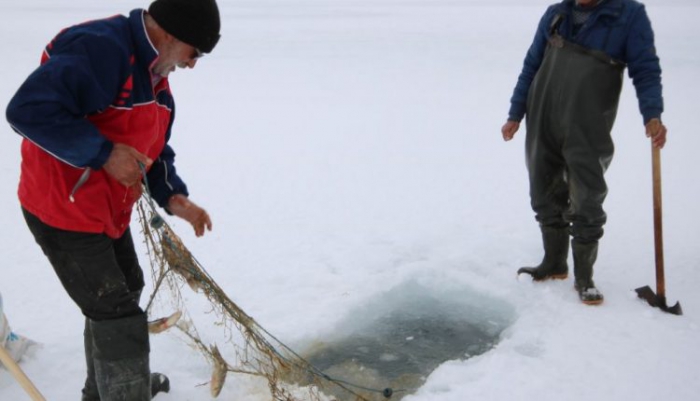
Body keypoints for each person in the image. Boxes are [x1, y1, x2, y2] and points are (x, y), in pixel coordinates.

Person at [5, 0, 220, 399]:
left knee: (124, 290)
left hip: (106, 208)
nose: (193, 64)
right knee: (115, 310)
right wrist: (103, 154)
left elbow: (152, 149)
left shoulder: (155, 74)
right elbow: (27, 110)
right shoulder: (100, 49)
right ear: (172, 33)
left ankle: (106, 390)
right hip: (62, 209)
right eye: (196, 52)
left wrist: (174, 197)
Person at [501, 0, 667, 305]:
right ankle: (554, 263)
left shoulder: (628, 15)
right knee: (543, 191)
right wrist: (516, 113)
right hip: (544, 114)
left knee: (587, 195)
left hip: (588, 121)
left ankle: (584, 277)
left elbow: (645, 69)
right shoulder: (556, 14)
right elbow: (532, 64)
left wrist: (652, 113)